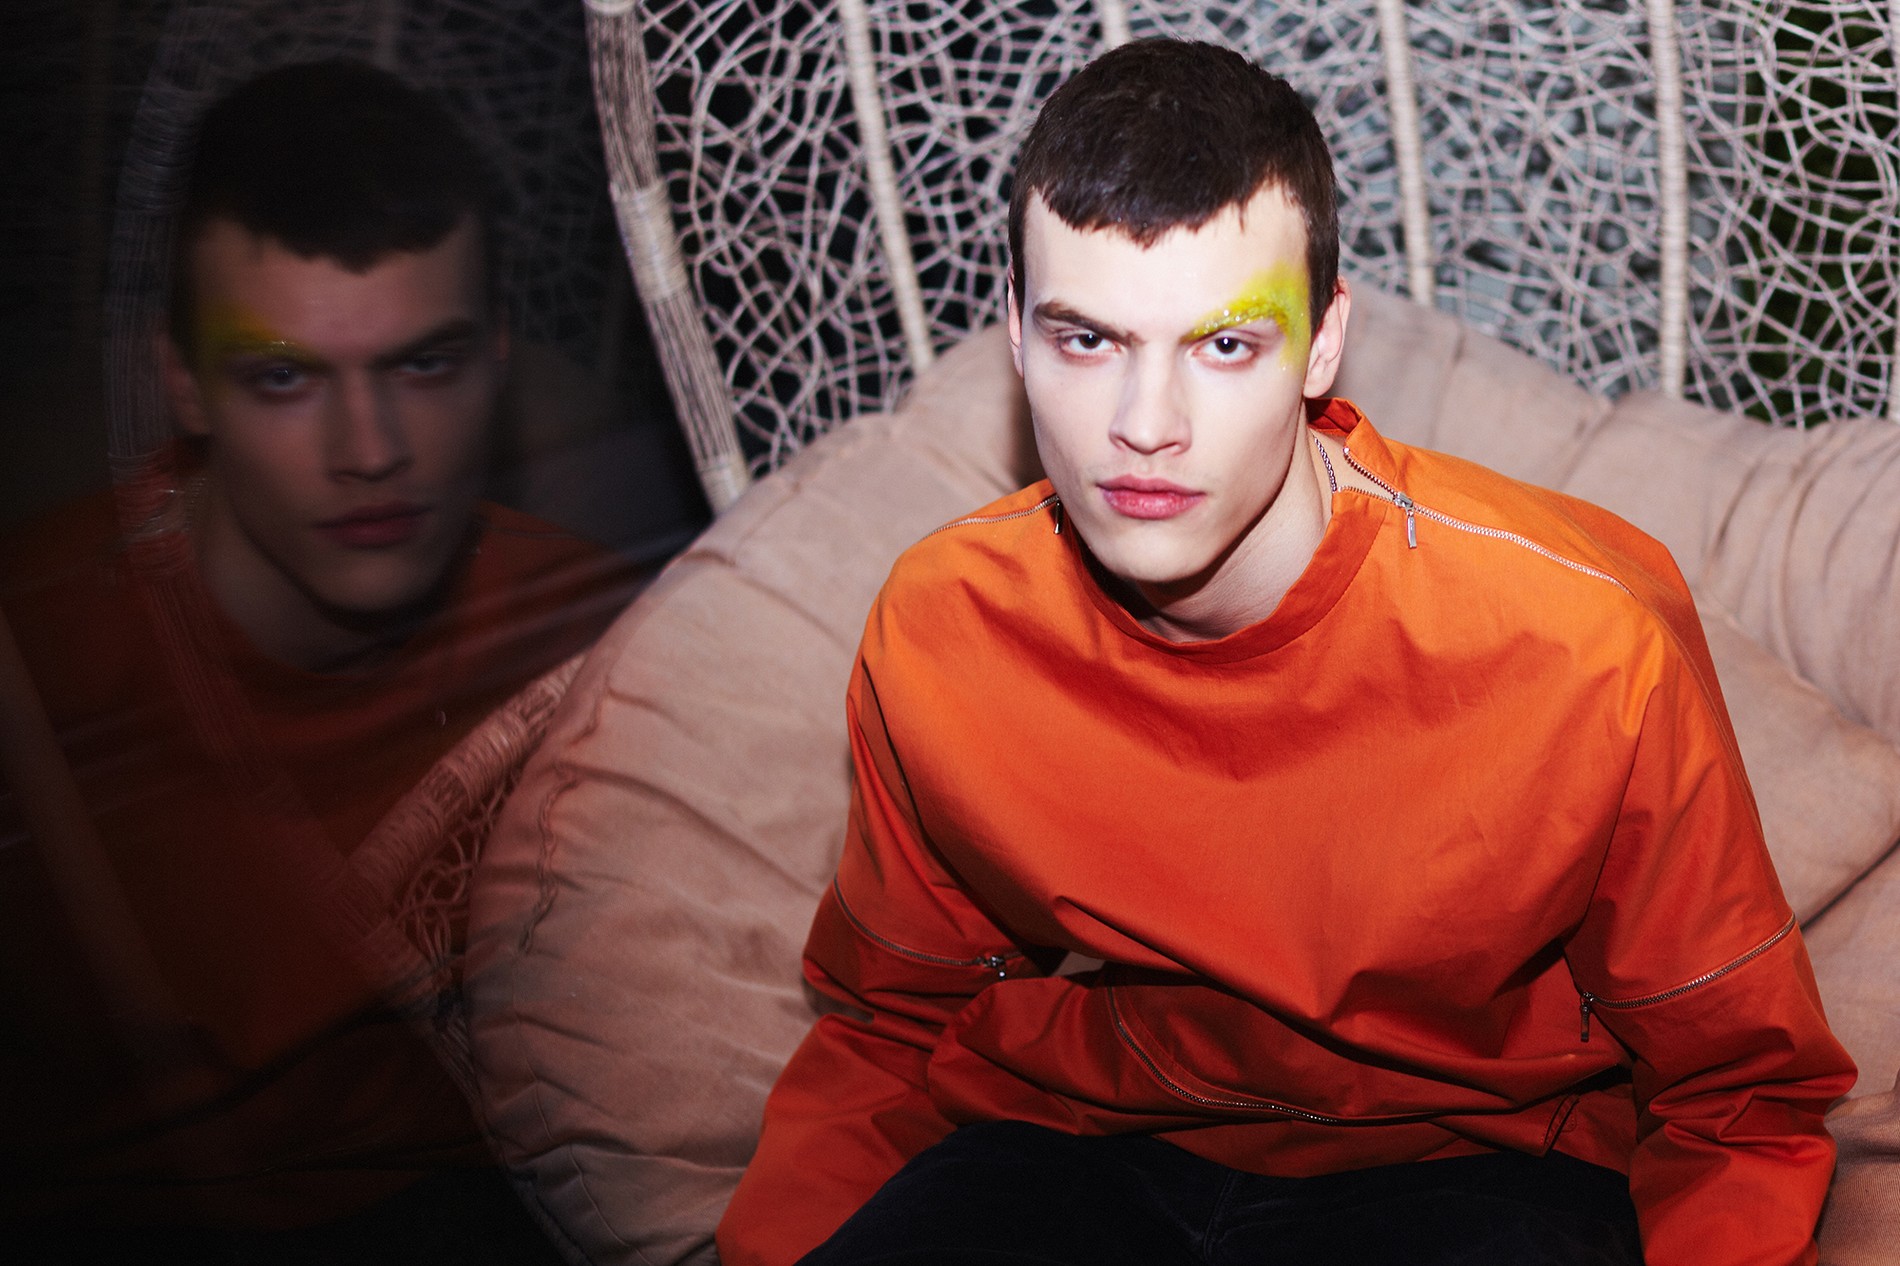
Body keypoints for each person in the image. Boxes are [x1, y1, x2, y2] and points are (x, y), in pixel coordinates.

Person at [716, 38, 1854, 1266]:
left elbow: (1738, 1096)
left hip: (1474, 1169)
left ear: (1320, 344)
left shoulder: (1580, 645)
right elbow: (887, 1021)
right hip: (1072, 1148)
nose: (1144, 427)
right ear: (1014, 337)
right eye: (1088, 339)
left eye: (1223, 346)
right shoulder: (944, 625)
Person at [0, 60, 638, 1260]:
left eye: (423, 364)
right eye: (285, 377)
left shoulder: (592, 638)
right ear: (183, 384)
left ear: (498, 358)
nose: (370, 449)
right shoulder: (40, 663)